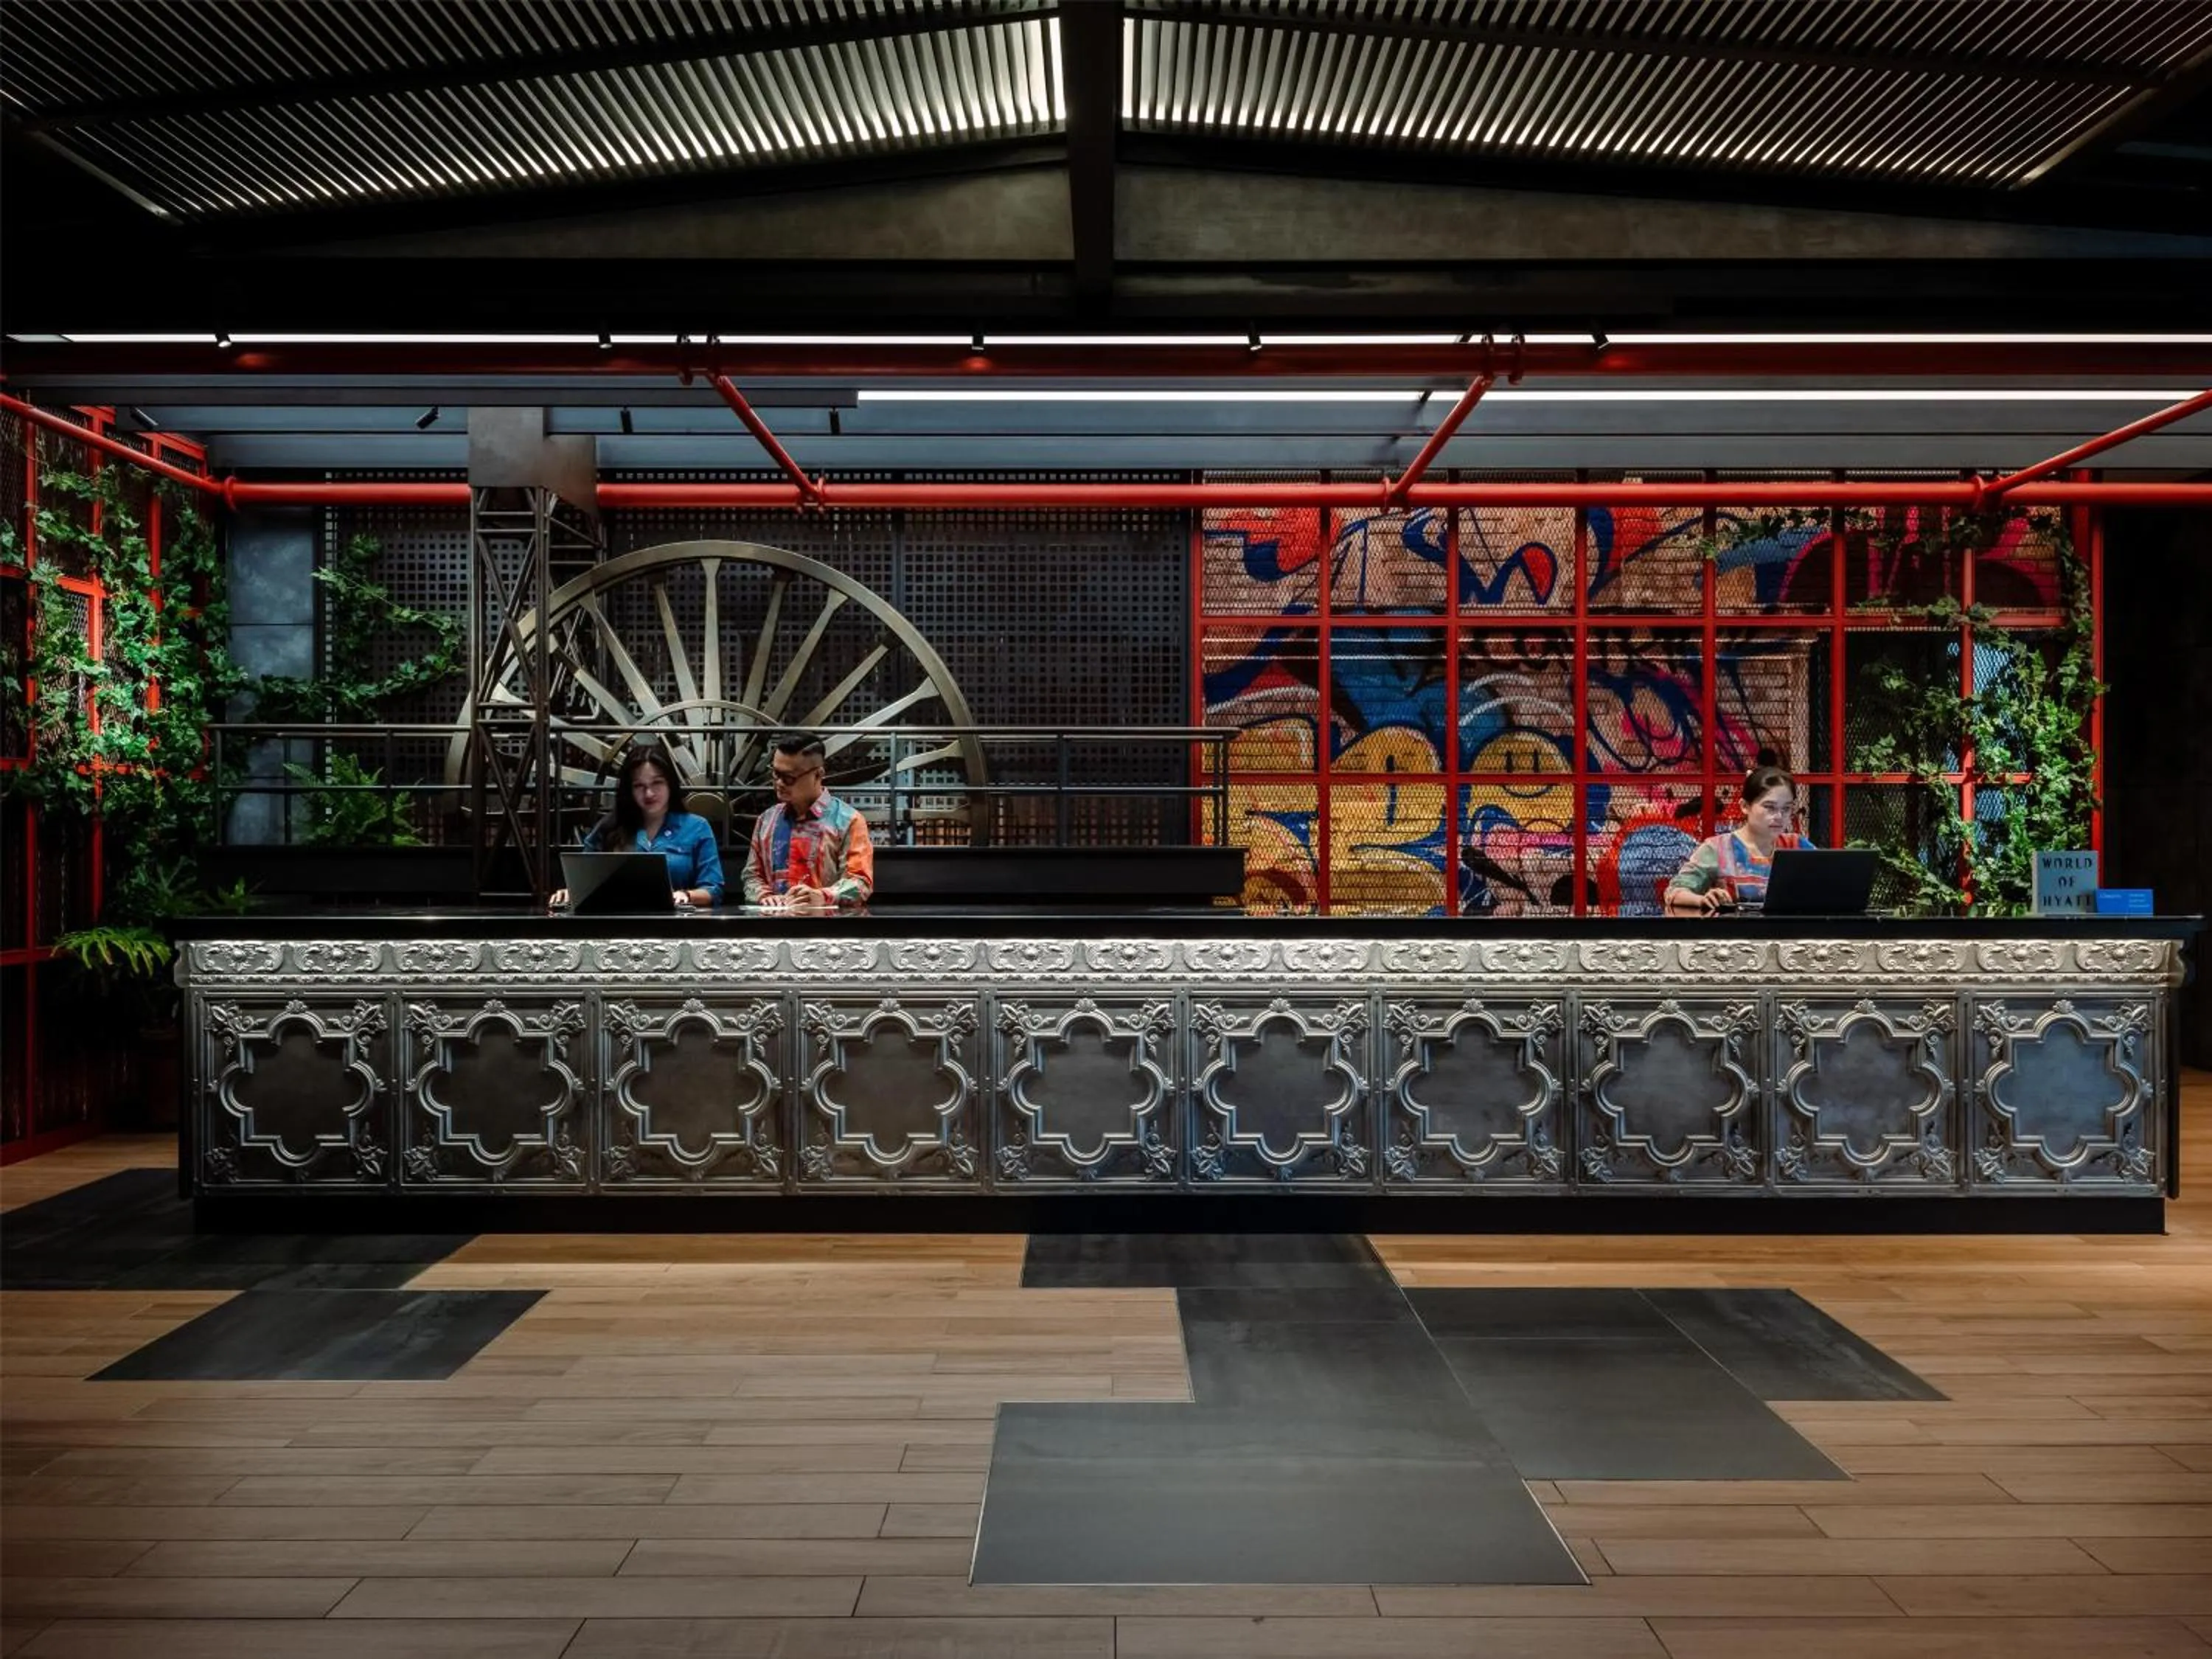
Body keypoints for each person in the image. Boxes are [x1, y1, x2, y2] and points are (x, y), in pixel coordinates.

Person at [549, 744, 725, 909]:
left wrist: (686, 895)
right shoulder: (610, 827)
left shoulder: (697, 827)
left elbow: (713, 889)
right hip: (618, 927)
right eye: (639, 786)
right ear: (629, 790)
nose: (649, 793)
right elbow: (582, 882)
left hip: (677, 927)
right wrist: (571, 892)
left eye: (657, 783)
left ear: (670, 783)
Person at [1664, 757, 1814, 914]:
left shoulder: (1798, 846)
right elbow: (1675, 891)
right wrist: (1703, 900)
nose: (1779, 816)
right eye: (1770, 807)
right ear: (1745, 806)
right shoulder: (1718, 848)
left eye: (1786, 809)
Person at [744, 731, 874, 910]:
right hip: (773, 928)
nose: (779, 783)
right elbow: (751, 876)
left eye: (789, 778)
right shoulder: (766, 820)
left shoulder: (849, 821)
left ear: (818, 775)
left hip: (827, 931)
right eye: (775, 774)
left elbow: (860, 883)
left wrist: (824, 896)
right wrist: (764, 896)